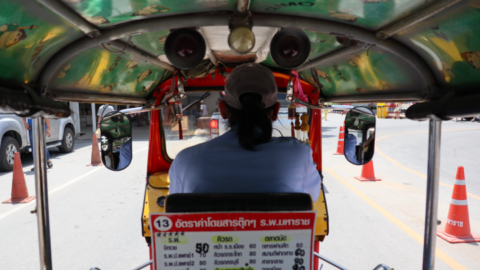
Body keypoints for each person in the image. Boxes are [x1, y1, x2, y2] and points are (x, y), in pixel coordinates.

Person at [169, 63, 322, 202]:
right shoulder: (299, 155)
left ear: (222, 110)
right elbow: (311, 198)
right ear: (275, 111)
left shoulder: (185, 162)